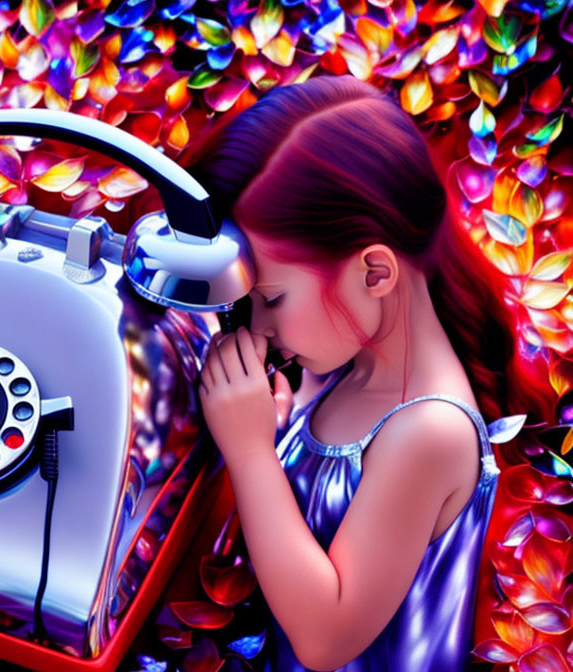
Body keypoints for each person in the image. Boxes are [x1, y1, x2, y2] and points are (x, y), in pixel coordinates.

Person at [180, 75, 555, 671]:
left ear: (375, 273)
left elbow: (325, 638)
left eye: (272, 299)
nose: (258, 328)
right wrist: (277, 428)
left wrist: (252, 453)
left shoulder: (428, 431)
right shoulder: (343, 365)